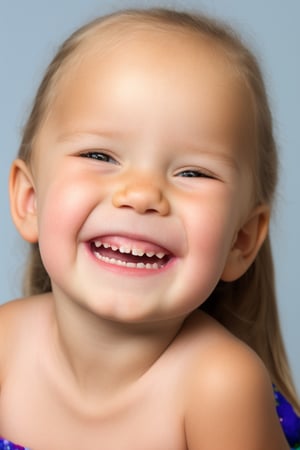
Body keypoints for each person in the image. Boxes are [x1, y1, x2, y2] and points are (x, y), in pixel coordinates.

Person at [0, 7, 299, 450]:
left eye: (194, 173)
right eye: (99, 156)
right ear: (31, 201)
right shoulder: (4, 347)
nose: (141, 195)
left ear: (241, 240)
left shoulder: (220, 389)